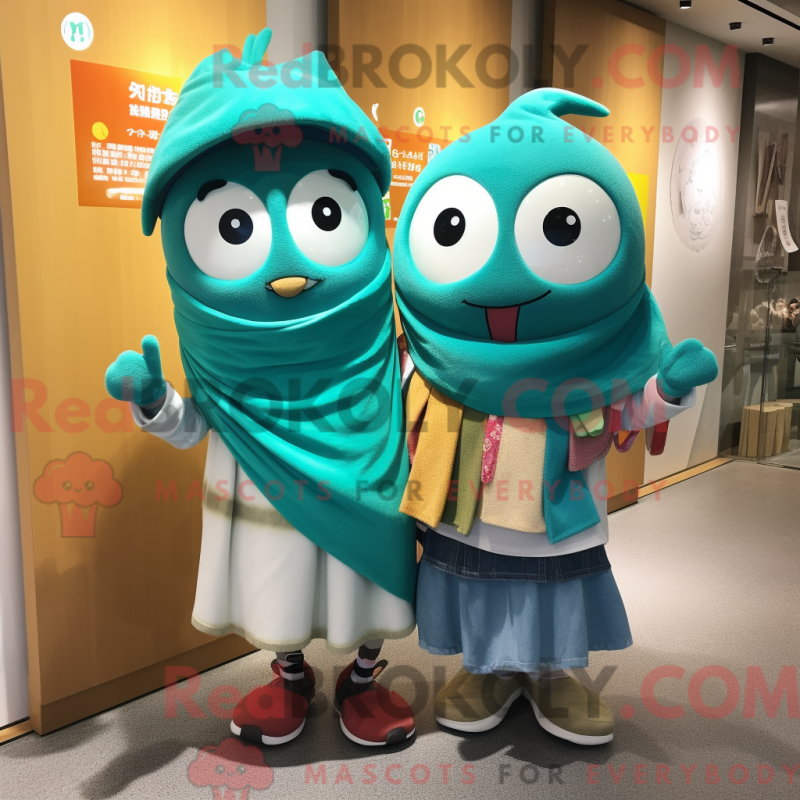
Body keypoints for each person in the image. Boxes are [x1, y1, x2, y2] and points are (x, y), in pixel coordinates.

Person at [104, 28, 417, 748]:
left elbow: (413, 390)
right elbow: (195, 425)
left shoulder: (381, 345)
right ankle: (291, 677)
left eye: (327, 213)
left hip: (369, 467)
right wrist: (154, 401)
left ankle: (362, 679)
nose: (287, 270)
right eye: (237, 222)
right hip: (261, 487)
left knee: (366, 580)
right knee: (278, 579)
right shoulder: (221, 364)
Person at [392, 88, 718, 745]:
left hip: (554, 510)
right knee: (479, 584)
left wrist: (667, 390)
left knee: (551, 587)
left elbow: (627, 411)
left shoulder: (596, 361)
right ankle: (488, 671)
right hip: (469, 506)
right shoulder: (429, 355)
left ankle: (551, 676)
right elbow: (401, 400)